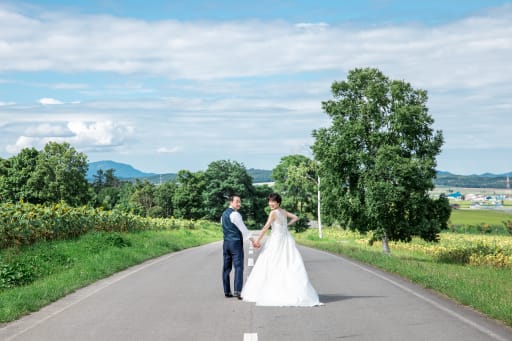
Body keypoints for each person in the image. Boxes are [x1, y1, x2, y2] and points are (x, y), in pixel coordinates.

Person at [241, 193, 322, 306]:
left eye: (273, 201)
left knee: (272, 263)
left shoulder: (273, 213)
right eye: (269, 201)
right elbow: (295, 217)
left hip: (276, 241)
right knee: (287, 264)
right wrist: (287, 225)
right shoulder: (283, 212)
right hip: (286, 240)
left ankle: (272, 291)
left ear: (278, 202)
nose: (271, 203)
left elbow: (266, 227)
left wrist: (257, 241)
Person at [221, 195, 256, 299]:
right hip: (235, 243)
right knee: (239, 267)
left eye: (240, 201)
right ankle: (237, 291)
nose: (239, 204)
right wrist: (253, 241)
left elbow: (224, 228)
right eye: (237, 201)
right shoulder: (235, 214)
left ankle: (227, 291)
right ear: (230, 202)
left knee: (226, 268)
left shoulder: (223, 215)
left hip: (226, 243)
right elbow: (244, 229)